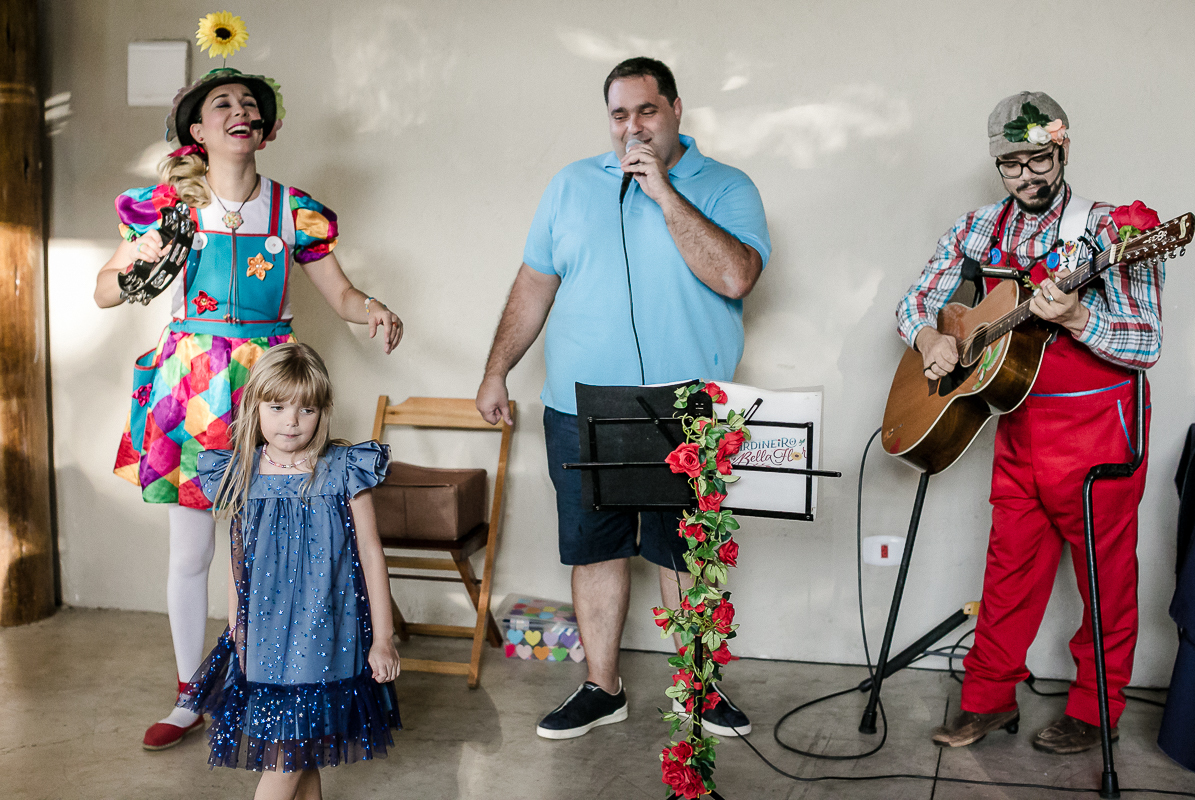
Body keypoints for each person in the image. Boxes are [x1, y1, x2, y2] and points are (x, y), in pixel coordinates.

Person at [94, 57, 402, 751]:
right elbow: (106, 291)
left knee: (266, 546)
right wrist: (140, 259)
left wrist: (373, 309)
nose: (240, 110)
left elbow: (342, 295)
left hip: (268, 389)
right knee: (191, 550)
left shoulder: (293, 209)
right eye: (223, 103)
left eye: (250, 103)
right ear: (197, 130)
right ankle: (188, 696)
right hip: (191, 390)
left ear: (265, 129)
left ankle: (258, 680)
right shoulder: (167, 207)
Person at [475, 57, 770, 740]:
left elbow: (735, 277)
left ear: (675, 110)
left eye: (646, 110)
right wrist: (496, 370)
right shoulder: (570, 185)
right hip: (581, 406)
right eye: (619, 114)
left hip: (687, 407)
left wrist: (663, 191)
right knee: (594, 550)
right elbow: (534, 283)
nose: (631, 126)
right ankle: (601, 688)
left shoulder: (727, 186)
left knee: (685, 552)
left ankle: (698, 689)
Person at [895, 92, 1163, 754]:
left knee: (1105, 580)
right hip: (1019, 426)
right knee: (1007, 570)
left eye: (1038, 159)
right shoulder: (979, 226)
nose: (1026, 176)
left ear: (1063, 150)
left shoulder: (1111, 229)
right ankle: (987, 701)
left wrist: (1079, 317)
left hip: (1101, 429)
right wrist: (928, 336)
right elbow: (916, 299)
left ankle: (1096, 709)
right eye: (1011, 164)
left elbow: (1147, 340)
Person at [180, 342, 401, 798]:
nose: (291, 421)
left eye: (306, 409)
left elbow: (371, 551)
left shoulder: (344, 470)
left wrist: (383, 638)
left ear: (323, 411)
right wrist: (237, 631)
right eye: (277, 407)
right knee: (303, 749)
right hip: (264, 636)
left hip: (325, 631)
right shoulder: (242, 472)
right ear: (255, 406)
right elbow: (239, 561)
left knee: (289, 755)